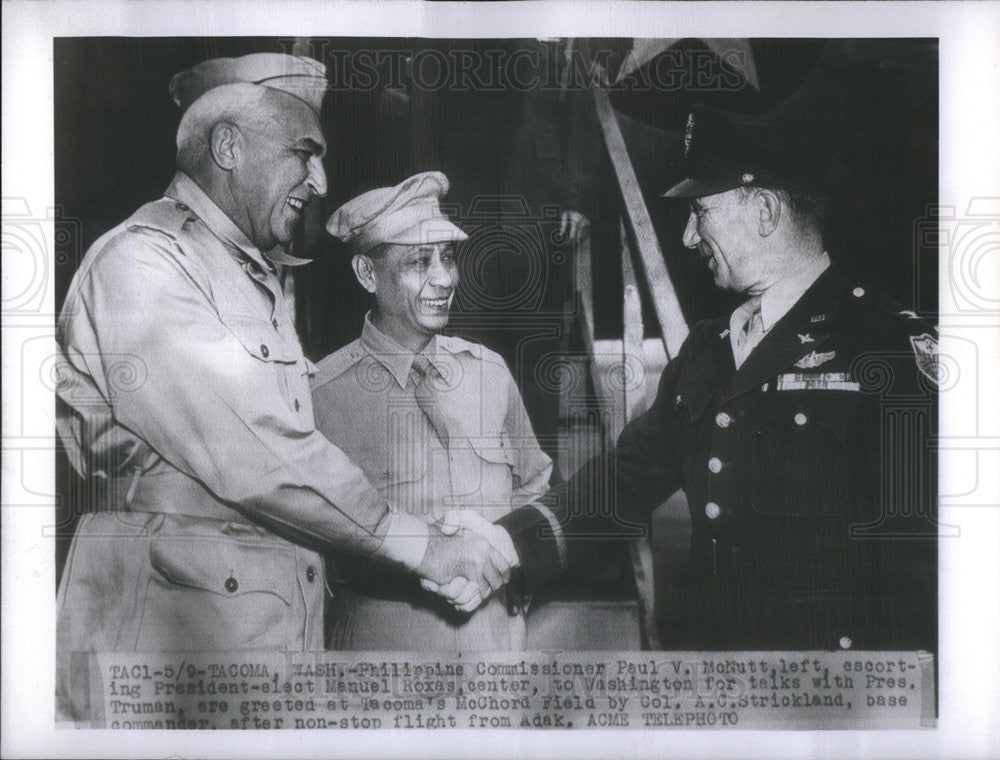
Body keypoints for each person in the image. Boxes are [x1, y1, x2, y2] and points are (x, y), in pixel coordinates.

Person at [55, 54, 501, 721]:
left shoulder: (250, 275)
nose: (319, 180)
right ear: (229, 146)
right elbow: (258, 451)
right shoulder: (143, 263)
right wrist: (421, 544)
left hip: (252, 634)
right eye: (303, 153)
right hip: (166, 644)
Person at [444, 104, 939, 652]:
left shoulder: (885, 345)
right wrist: (503, 542)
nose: (686, 237)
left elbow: (926, 552)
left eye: (700, 212)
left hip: (836, 692)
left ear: (766, 212)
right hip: (724, 673)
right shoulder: (709, 346)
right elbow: (626, 478)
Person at [313, 172, 553, 650]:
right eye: (420, 262)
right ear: (367, 274)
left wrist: (508, 570)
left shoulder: (488, 373)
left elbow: (536, 486)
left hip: (494, 640)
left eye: (448, 257)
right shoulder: (321, 394)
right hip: (384, 642)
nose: (444, 279)